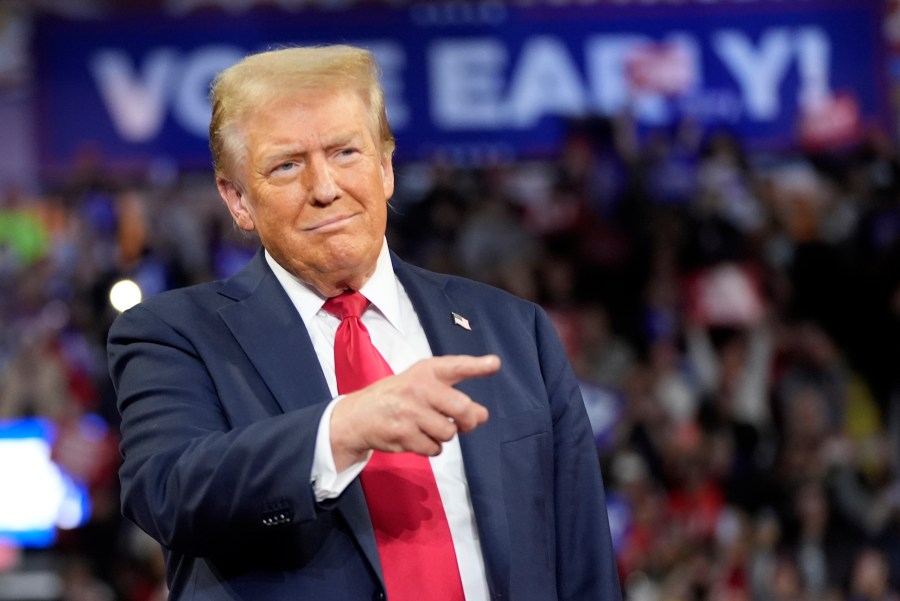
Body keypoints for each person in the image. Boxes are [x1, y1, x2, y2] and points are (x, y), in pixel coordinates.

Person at [108, 45, 622, 601]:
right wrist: (343, 429)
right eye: (287, 165)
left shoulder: (513, 329)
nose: (325, 188)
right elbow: (169, 491)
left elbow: (582, 557)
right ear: (238, 200)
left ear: (385, 168)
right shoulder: (173, 334)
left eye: (346, 152)